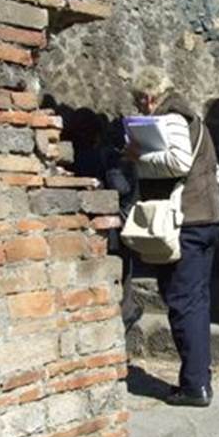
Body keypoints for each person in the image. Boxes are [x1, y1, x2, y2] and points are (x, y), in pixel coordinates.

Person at [126, 67, 219, 407]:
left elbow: (179, 162)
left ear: (148, 97)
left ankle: (195, 387)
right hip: (208, 217)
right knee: (195, 301)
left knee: (182, 302)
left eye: (139, 102)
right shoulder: (194, 118)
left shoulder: (171, 117)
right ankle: (199, 379)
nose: (140, 108)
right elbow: (215, 171)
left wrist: (139, 157)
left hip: (187, 223)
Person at [65, 109, 141, 332]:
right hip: (111, 231)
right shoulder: (105, 156)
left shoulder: (71, 157)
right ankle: (124, 316)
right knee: (121, 277)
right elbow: (120, 187)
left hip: (79, 231)